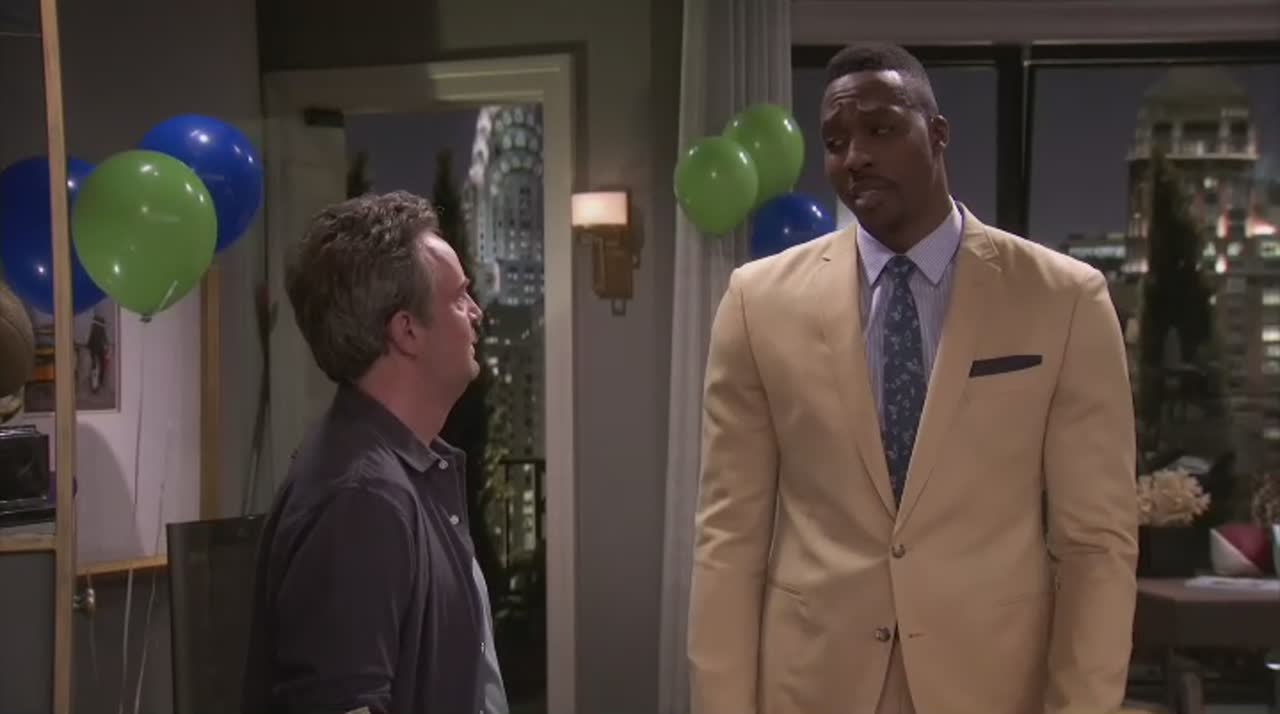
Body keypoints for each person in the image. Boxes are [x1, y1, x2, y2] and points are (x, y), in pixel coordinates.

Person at [687, 43, 1138, 714]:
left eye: (880, 129)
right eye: (835, 142)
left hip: (991, 687)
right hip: (813, 686)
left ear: (938, 134)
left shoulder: (1063, 299)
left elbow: (1095, 544)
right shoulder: (758, 303)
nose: (855, 157)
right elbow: (729, 538)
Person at [241, 191, 509, 714]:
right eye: (459, 298)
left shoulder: (411, 471)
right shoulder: (361, 500)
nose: (476, 313)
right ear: (407, 330)